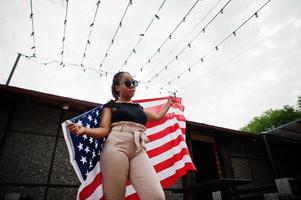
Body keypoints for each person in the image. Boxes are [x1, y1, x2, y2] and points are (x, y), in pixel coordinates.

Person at [68, 71, 174, 200]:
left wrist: (169, 103)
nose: (132, 86)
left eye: (134, 83)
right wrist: (84, 130)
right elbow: (104, 130)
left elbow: (157, 117)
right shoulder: (110, 106)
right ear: (117, 87)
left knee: (156, 196)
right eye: (128, 83)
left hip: (139, 149)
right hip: (116, 147)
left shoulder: (139, 108)